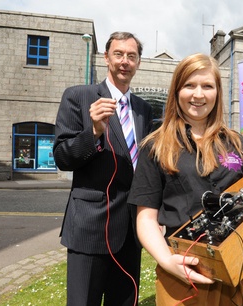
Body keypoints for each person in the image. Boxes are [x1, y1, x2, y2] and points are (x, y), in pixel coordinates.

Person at [127, 53, 243, 305]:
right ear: (176, 90)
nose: (198, 95)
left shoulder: (236, 143)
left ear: (218, 92)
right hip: (186, 271)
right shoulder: (156, 147)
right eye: (189, 85)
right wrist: (166, 261)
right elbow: (146, 218)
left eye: (207, 86)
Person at [53, 31, 153, 306]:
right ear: (106, 57)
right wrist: (94, 131)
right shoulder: (78, 97)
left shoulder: (144, 109)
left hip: (131, 232)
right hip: (90, 226)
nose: (125, 61)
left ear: (138, 63)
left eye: (131, 56)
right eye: (118, 54)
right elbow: (63, 157)